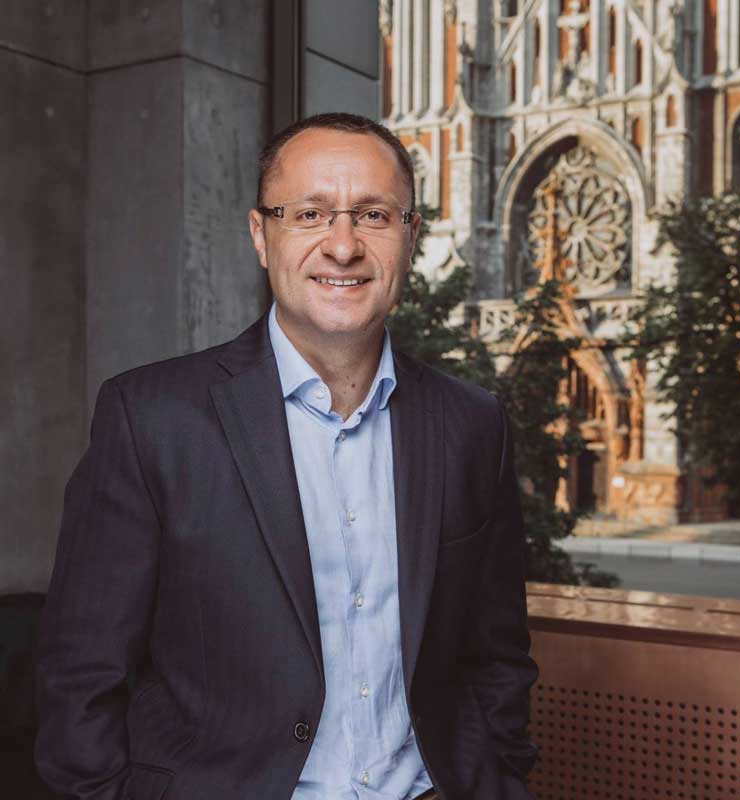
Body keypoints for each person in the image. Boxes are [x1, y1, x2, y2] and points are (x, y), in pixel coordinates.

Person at [35, 113, 538, 800]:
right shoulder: (151, 417)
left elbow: (497, 653)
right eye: (309, 214)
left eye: (373, 214)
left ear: (410, 237)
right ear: (260, 236)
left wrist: (500, 774)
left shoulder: (473, 424)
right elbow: (81, 675)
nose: (343, 246)